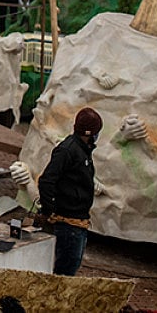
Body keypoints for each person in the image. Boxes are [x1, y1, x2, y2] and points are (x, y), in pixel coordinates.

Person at [38, 106, 102, 276]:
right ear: (90, 133)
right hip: (68, 223)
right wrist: (49, 210)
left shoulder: (82, 151)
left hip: (78, 220)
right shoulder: (68, 150)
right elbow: (46, 181)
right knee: (65, 271)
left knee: (71, 266)